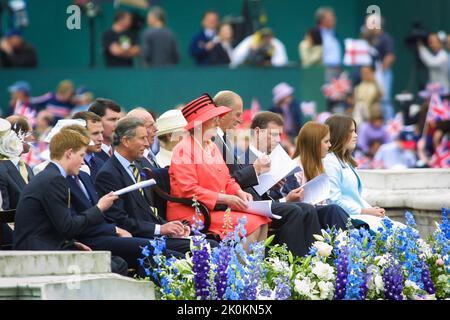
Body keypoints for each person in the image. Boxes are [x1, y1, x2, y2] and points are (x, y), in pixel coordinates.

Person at [213, 91, 322, 257]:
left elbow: (234, 179)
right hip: (239, 202)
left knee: (307, 209)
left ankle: (313, 261)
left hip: (246, 198)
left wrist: (268, 182)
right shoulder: (217, 141)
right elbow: (231, 180)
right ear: (224, 112)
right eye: (237, 114)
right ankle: (292, 265)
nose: (240, 120)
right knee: (296, 211)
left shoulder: (223, 141)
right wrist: (256, 170)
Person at [167, 94, 270, 249]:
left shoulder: (211, 145)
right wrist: (226, 199)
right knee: (254, 223)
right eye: (213, 117)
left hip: (210, 209)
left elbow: (227, 179)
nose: (217, 121)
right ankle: (240, 271)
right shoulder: (183, 149)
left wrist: (238, 192)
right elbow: (188, 190)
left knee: (263, 219)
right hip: (191, 213)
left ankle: (254, 269)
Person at [95, 117, 194, 255]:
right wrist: (160, 229)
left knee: (203, 242)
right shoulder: (108, 174)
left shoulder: (137, 167)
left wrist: (174, 228)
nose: (147, 144)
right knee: (201, 247)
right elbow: (121, 220)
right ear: (126, 141)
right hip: (137, 240)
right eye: (142, 138)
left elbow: (148, 211)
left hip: (152, 235)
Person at [282, 121, 350, 230]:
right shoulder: (294, 168)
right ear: (314, 143)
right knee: (333, 210)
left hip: (317, 213)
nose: (330, 145)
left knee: (351, 219)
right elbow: (293, 202)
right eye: (326, 141)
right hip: (306, 216)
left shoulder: (319, 165)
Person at [323, 114, 386, 218]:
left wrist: (372, 210)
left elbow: (355, 198)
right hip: (349, 220)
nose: (356, 135)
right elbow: (333, 201)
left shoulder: (347, 161)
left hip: (359, 216)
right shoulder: (330, 162)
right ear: (339, 134)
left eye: (355, 131)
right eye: (351, 131)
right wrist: (365, 211)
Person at [0, 116, 34, 210]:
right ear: (18, 135)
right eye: (29, 133)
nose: (32, 137)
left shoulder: (27, 168)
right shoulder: (1, 169)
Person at [367, 16, 396, 120]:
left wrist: (380, 72)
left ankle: (390, 123)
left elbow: (390, 56)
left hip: (383, 73)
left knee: (384, 98)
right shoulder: (371, 39)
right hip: (373, 73)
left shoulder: (385, 38)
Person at [72, 111, 106, 179]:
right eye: (95, 133)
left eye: (102, 133)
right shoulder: (71, 165)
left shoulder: (101, 161)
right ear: (79, 134)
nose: (101, 139)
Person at [88, 98, 122, 162]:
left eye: (119, 120)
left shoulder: (120, 152)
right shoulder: (88, 155)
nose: (118, 124)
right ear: (96, 121)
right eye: (112, 119)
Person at [313, 7, 342, 81]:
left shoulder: (334, 33)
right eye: (331, 16)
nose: (334, 18)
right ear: (322, 20)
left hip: (338, 69)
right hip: (323, 71)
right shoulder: (315, 33)